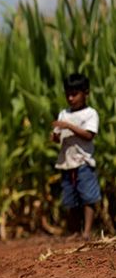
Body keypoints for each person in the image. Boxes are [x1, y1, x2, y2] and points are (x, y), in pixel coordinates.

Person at [50, 73, 102, 240]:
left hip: (83, 162)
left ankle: (86, 232)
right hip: (67, 163)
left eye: (74, 94)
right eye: (68, 95)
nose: (70, 98)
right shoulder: (64, 113)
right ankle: (74, 232)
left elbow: (89, 135)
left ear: (85, 93)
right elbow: (58, 137)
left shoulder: (90, 114)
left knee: (88, 198)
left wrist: (68, 126)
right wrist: (55, 137)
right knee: (71, 200)